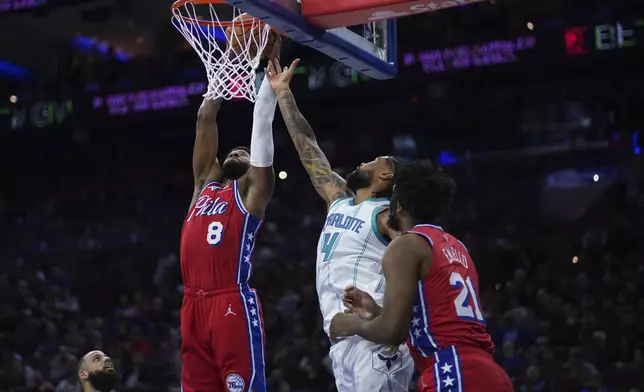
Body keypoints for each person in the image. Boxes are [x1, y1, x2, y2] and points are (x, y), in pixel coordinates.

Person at [265, 59, 414, 392]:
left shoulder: (386, 216)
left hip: (375, 339)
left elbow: (418, 256)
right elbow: (308, 148)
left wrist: (387, 313)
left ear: (386, 176)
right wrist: (283, 93)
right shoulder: (339, 200)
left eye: (374, 160)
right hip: (342, 343)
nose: (364, 161)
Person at [330, 160, 513, 392]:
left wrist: (351, 323)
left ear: (400, 206)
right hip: (490, 372)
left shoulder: (406, 245)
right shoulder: (458, 247)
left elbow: (392, 333)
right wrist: (378, 311)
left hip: (452, 370)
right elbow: (436, 319)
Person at [179, 40, 281, 392]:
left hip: (230, 302)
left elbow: (262, 123)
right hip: (191, 304)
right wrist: (231, 57)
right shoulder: (202, 187)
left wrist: (268, 74)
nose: (239, 149)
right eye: (233, 149)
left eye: (246, 151)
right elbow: (205, 117)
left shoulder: (253, 194)